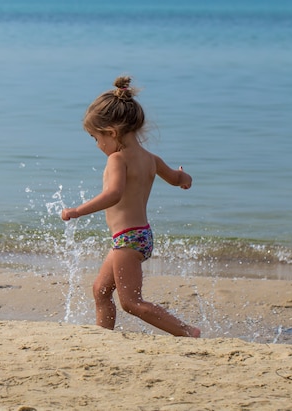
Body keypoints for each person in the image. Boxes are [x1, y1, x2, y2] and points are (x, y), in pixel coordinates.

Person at [61, 76, 201, 338]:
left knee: (131, 302)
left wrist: (77, 211)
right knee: (101, 290)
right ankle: (104, 338)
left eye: (96, 138)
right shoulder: (151, 158)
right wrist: (185, 178)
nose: (98, 145)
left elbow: (113, 194)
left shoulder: (117, 159)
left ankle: (186, 332)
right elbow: (177, 178)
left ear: (112, 133)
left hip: (128, 240)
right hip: (138, 236)